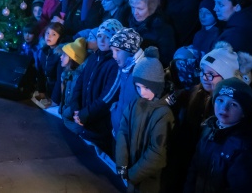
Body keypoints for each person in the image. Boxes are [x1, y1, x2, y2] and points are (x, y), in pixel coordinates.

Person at [183, 78, 252, 193]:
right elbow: (194, 169)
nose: (224, 108)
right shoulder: (208, 128)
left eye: (233, 104)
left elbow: (240, 188)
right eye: (220, 100)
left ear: (243, 113)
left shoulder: (246, 145)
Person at [114, 47, 174, 193]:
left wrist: (132, 175)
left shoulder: (163, 113)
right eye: (138, 87)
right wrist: (122, 163)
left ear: (157, 86)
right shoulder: (136, 103)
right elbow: (123, 132)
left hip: (149, 181)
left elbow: (156, 152)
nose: (142, 92)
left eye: (147, 87)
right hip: (132, 176)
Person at [64, 19, 122, 154]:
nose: (102, 40)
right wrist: (76, 107)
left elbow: (107, 97)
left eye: (107, 37)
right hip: (83, 117)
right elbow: (80, 82)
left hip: (98, 125)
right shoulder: (93, 58)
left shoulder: (114, 64)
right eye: (100, 36)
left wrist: (86, 114)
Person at [108, 28, 145, 137]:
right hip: (119, 130)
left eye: (117, 50)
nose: (113, 56)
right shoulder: (124, 68)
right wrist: (114, 112)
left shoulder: (142, 71)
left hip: (131, 135)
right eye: (112, 51)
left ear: (130, 50)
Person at [128, 0, 176, 66]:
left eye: (140, 9)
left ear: (151, 8)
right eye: (133, 7)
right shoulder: (131, 21)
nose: (135, 12)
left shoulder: (163, 29)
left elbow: (166, 60)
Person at [35, 22, 69, 108]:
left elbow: (59, 79)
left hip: (56, 93)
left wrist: (54, 100)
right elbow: (41, 73)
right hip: (47, 90)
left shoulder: (60, 55)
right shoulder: (44, 51)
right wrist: (41, 91)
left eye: (54, 34)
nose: (49, 36)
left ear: (60, 37)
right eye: (47, 33)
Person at [59, 37, 87, 121]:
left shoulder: (77, 78)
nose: (61, 57)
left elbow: (73, 102)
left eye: (64, 55)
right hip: (66, 115)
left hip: (71, 117)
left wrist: (65, 114)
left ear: (72, 59)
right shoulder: (66, 75)